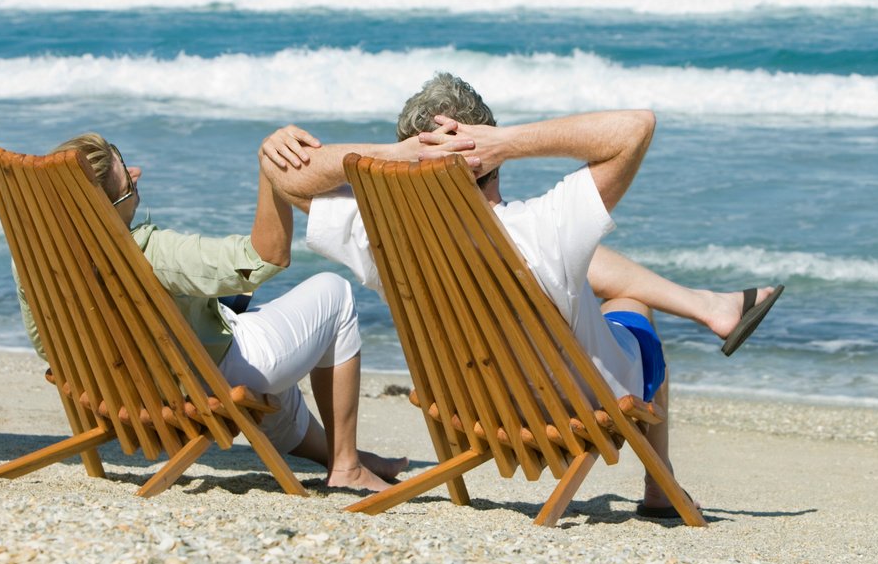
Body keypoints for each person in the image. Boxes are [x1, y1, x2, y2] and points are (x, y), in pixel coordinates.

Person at [258, 74, 783, 517]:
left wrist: (393, 156)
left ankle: (709, 306)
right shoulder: (545, 226)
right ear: (485, 150)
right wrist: (506, 140)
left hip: (470, 410)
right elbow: (635, 125)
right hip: (578, 406)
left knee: (582, 266)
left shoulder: (379, 238)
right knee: (628, 308)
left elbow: (288, 177)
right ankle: (658, 483)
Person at [16, 131, 403, 493]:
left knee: (268, 350)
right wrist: (269, 173)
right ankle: (347, 467)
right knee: (333, 293)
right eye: (128, 184)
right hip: (198, 382)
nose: (137, 173)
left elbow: (45, 346)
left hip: (128, 388)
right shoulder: (150, 255)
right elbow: (264, 259)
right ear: (104, 211)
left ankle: (342, 456)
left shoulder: (33, 259)